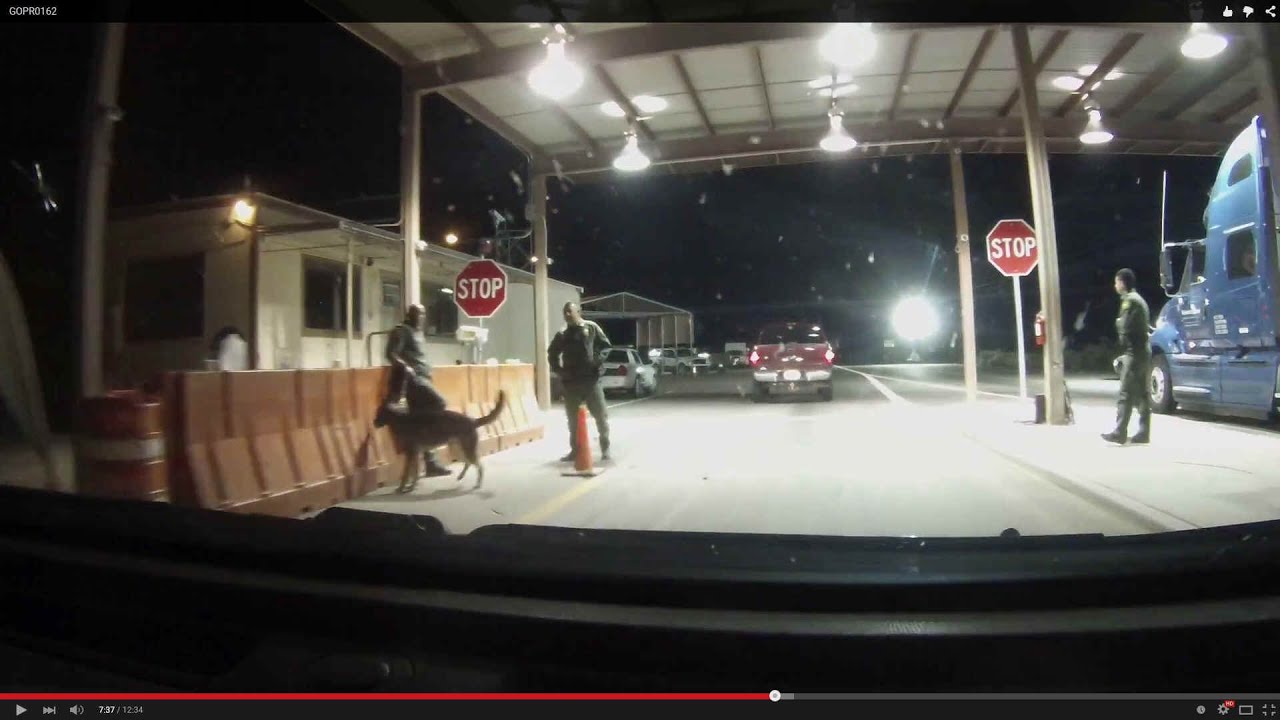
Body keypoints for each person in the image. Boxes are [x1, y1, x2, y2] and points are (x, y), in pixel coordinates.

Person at [385, 303, 451, 478]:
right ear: (409, 314)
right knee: (440, 403)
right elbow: (391, 354)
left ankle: (430, 463)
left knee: (422, 422)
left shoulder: (418, 333)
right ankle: (429, 458)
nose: (420, 318)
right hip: (414, 381)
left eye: (422, 314)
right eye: (417, 314)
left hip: (424, 378)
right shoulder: (402, 330)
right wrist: (406, 367)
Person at [547, 301, 612, 462]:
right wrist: (559, 371)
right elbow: (552, 353)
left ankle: (605, 448)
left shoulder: (591, 327)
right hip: (572, 383)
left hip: (591, 381)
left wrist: (597, 361)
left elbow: (606, 346)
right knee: (573, 420)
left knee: (601, 416)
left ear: (579, 312)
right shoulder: (563, 334)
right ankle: (575, 450)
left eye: (570, 311)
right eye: (565, 312)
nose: (567, 315)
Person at [1103, 268, 1151, 445]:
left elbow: (1124, 328)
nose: (1115, 285)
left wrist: (1118, 324)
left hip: (1134, 352)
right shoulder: (1140, 300)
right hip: (1144, 351)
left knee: (1125, 393)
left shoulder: (1129, 301)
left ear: (1122, 283)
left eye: (1116, 282)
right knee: (1143, 394)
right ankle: (1144, 432)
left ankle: (1119, 432)